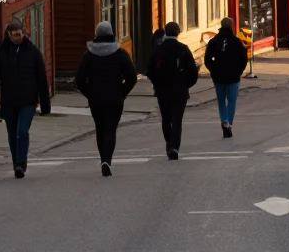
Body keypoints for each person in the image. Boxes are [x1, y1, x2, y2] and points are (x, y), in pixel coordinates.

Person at [0, 19, 51, 178]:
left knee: (22, 131)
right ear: (9, 35)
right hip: (9, 100)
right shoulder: (2, 52)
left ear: (24, 32)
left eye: (19, 34)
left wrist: (45, 104)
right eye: (14, 35)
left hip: (28, 100)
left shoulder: (33, 52)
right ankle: (16, 163)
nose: (17, 37)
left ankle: (22, 162)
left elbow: (41, 79)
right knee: (12, 133)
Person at [75, 21, 137, 176]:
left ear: (97, 35)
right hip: (115, 98)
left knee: (100, 128)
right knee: (110, 129)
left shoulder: (88, 55)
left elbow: (80, 79)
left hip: (96, 99)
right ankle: (107, 160)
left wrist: (89, 94)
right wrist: (122, 92)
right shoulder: (120, 54)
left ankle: (103, 157)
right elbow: (132, 77)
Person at [145, 20, 198, 160]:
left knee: (166, 117)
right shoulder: (183, 49)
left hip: (162, 90)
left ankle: (169, 142)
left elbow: (149, 70)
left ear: (166, 32)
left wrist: (156, 83)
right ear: (178, 33)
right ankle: (174, 146)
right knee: (177, 118)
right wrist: (187, 84)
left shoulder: (159, 50)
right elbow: (192, 71)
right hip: (179, 90)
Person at [204, 17, 248, 137]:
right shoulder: (237, 41)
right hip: (233, 76)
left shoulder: (214, 41)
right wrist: (239, 71)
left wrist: (213, 70)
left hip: (218, 77)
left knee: (221, 101)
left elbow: (207, 59)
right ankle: (229, 124)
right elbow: (244, 59)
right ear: (231, 27)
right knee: (232, 101)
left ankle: (224, 121)